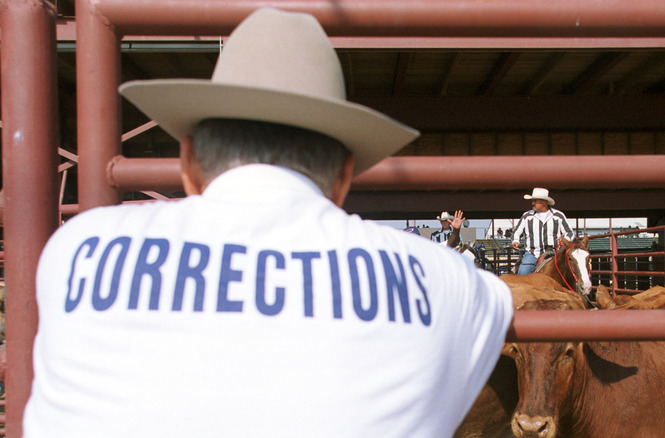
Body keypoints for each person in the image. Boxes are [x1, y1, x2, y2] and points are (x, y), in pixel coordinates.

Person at [23, 8, 514, 438]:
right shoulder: (442, 279)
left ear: (188, 160)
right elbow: (501, 301)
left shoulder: (77, 249)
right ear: (345, 174)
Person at [511, 187, 575, 275]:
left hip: (554, 254)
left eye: (535, 201)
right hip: (532, 254)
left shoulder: (558, 216)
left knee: (570, 272)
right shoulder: (527, 216)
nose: (532, 203)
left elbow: (570, 232)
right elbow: (516, 232)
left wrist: (565, 239)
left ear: (544, 202)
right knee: (523, 272)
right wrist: (515, 241)